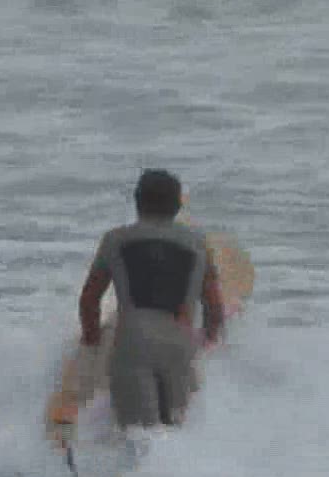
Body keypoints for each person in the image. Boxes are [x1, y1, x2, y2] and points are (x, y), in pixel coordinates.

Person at [78, 169, 226, 429]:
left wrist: (92, 342)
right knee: (179, 436)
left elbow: (90, 300)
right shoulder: (198, 244)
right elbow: (214, 306)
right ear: (178, 205)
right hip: (180, 347)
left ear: (137, 201)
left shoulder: (115, 240)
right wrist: (209, 338)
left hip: (133, 345)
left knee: (139, 439)